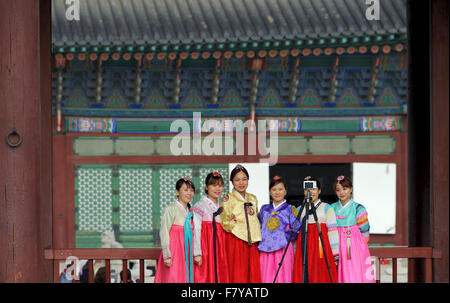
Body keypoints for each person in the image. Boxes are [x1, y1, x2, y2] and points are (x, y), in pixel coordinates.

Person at [293, 176, 339, 283]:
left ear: (319, 190)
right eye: (307, 189)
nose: (310, 192)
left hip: (321, 249)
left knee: (321, 276)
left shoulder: (327, 208)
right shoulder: (299, 210)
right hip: (303, 250)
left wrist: (335, 254)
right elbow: (295, 234)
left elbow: (333, 232)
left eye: (314, 189)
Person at [220, 164, 261, 283]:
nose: (241, 183)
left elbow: (256, 217)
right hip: (235, 240)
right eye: (237, 180)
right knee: (238, 273)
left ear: (248, 180)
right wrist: (236, 226)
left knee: (253, 273)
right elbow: (225, 221)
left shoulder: (253, 198)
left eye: (244, 179)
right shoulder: (228, 198)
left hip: (252, 241)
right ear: (232, 181)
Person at [331, 175, 375, 283]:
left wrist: (362, 249)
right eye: (338, 190)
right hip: (335, 245)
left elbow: (365, 232)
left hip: (353, 247)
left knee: (354, 273)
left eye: (345, 189)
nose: (342, 192)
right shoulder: (331, 208)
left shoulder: (359, 208)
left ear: (351, 189)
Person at [258, 176, 301, 283]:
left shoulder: (290, 209)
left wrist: (281, 238)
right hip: (265, 249)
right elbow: (258, 226)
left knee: (283, 276)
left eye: (280, 189)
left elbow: (296, 228)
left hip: (283, 248)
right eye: (274, 189)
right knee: (266, 276)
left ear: (285, 191)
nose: (277, 192)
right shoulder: (264, 209)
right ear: (269, 192)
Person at [154, 177, 196, 283]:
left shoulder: (191, 211)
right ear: (177, 192)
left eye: (191, 190)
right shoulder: (170, 209)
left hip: (187, 250)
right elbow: (164, 232)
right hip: (175, 250)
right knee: (173, 277)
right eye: (186, 190)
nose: (189, 193)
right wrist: (167, 254)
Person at [192, 172, 230, 283]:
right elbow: (197, 230)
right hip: (206, 248)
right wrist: (197, 253)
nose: (217, 189)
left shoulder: (223, 206)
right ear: (206, 187)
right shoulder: (199, 205)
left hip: (221, 249)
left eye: (220, 185)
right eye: (213, 185)